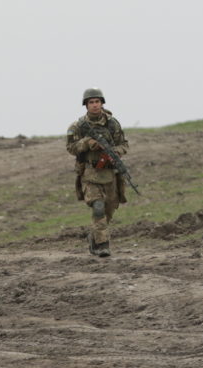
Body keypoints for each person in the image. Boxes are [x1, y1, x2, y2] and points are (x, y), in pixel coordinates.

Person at [66, 88, 130, 257]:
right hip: (89, 173)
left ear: (102, 103)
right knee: (98, 207)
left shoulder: (112, 124)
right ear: (86, 105)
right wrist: (87, 143)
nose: (95, 105)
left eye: (97, 102)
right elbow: (71, 148)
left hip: (110, 174)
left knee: (109, 209)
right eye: (91, 102)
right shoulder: (78, 126)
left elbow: (124, 144)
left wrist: (114, 152)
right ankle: (102, 245)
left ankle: (94, 237)